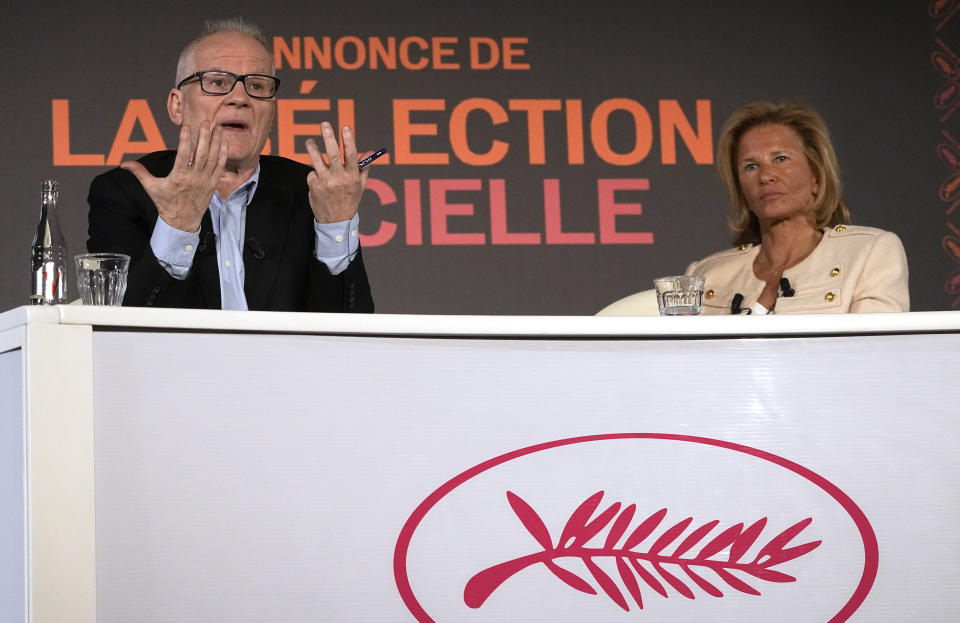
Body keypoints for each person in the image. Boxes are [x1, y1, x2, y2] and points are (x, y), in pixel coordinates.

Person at [86, 17, 373, 312]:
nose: (240, 98)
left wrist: (336, 227)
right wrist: (177, 225)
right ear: (177, 106)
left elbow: (353, 332)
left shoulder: (312, 193)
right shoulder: (123, 193)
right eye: (217, 82)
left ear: (271, 114)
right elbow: (118, 325)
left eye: (257, 86)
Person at [684, 100, 909, 315]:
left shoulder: (868, 253)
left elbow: (874, 351)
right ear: (740, 188)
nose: (766, 176)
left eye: (781, 159)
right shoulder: (706, 276)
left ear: (816, 176)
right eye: (751, 166)